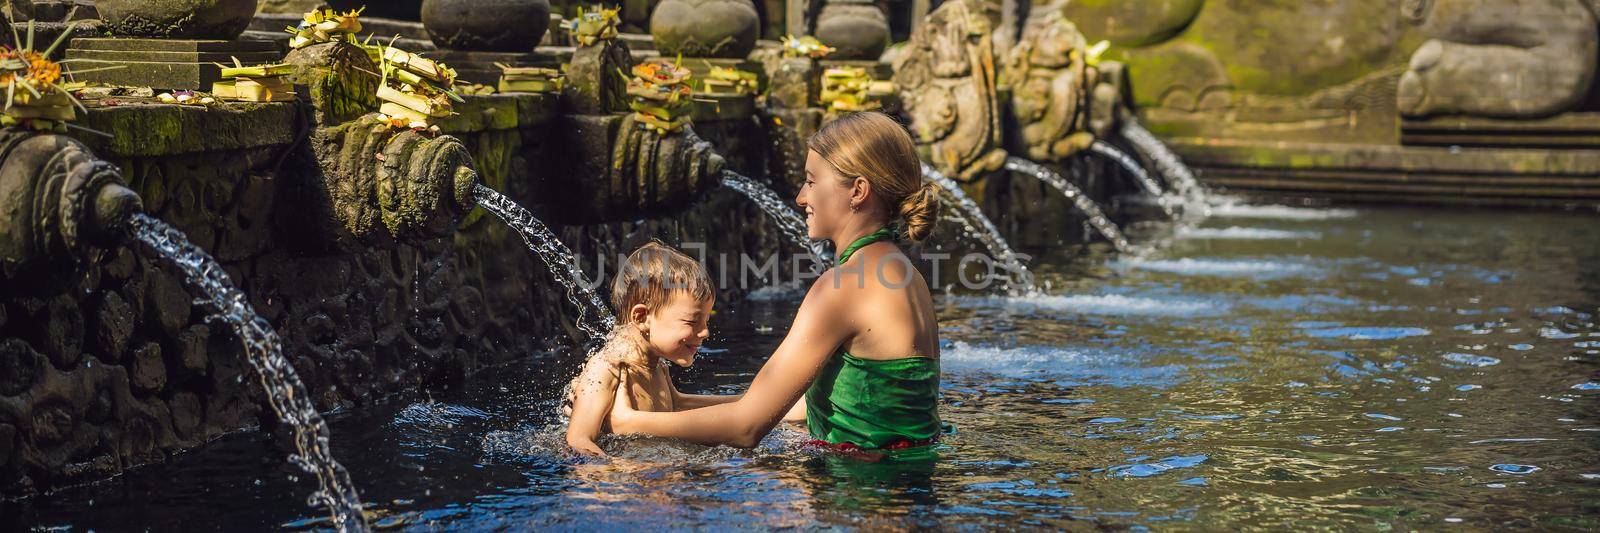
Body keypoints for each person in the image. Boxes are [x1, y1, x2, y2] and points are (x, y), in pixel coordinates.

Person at [607, 111, 942, 451]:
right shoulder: (908, 276)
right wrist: (676, 404)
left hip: (857, 493)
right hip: (905, 488)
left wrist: (629, 423)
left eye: (811, 181)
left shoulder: (844, 286)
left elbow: (746, 428)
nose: (800, 197)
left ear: (858, 191)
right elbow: (798, 407)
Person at [565, 242, 739, 457]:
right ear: (641, 317)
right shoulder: (606, 368)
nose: (705, 333)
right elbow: (578, 440)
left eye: (706, 321)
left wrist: (747, 402)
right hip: (627, 485)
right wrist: (617, 471)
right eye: (693, 322)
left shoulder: (656, 362)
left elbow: (677, 404)